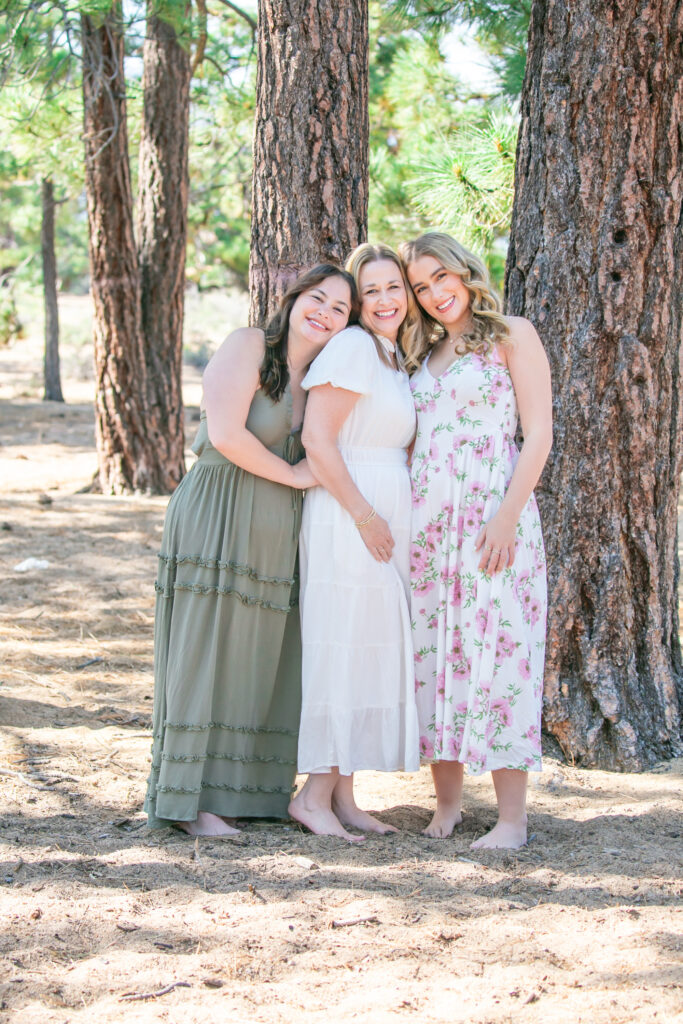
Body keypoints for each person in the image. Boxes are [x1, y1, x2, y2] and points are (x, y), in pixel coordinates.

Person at [144, 264, 358, 837]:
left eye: (340, 309)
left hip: (276, 529)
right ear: (292, 299)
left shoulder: (322, 375)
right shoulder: (247, 345)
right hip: (218, 510)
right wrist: (294, 477)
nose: (325, 313)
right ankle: (191, 804)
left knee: (258, 657)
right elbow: (226, 434)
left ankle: (244, 794)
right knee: (209, 649)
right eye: (318, 298)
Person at [400, 232, 552, 849]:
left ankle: (512, 819)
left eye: (441, 277)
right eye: (420, 287)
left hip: (495, 517)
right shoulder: (422, 356)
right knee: (437, 656)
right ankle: (448, 805)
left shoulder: (511, 334)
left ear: (464, 271)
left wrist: (506, 519)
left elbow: (538, 435)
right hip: (429, 530)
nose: (435, 293)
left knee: (505, 652)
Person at [289, 243, 423, 841]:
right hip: (349, 512)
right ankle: (312, 796)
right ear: (358, 304)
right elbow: (319, 440)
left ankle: (344, 796)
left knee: (364, 643)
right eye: (370, 292)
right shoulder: (350, 347)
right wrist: (366, 515)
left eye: (393, 286)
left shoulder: (391, 354)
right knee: (341, 646)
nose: (385, 300)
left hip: (378, 509)